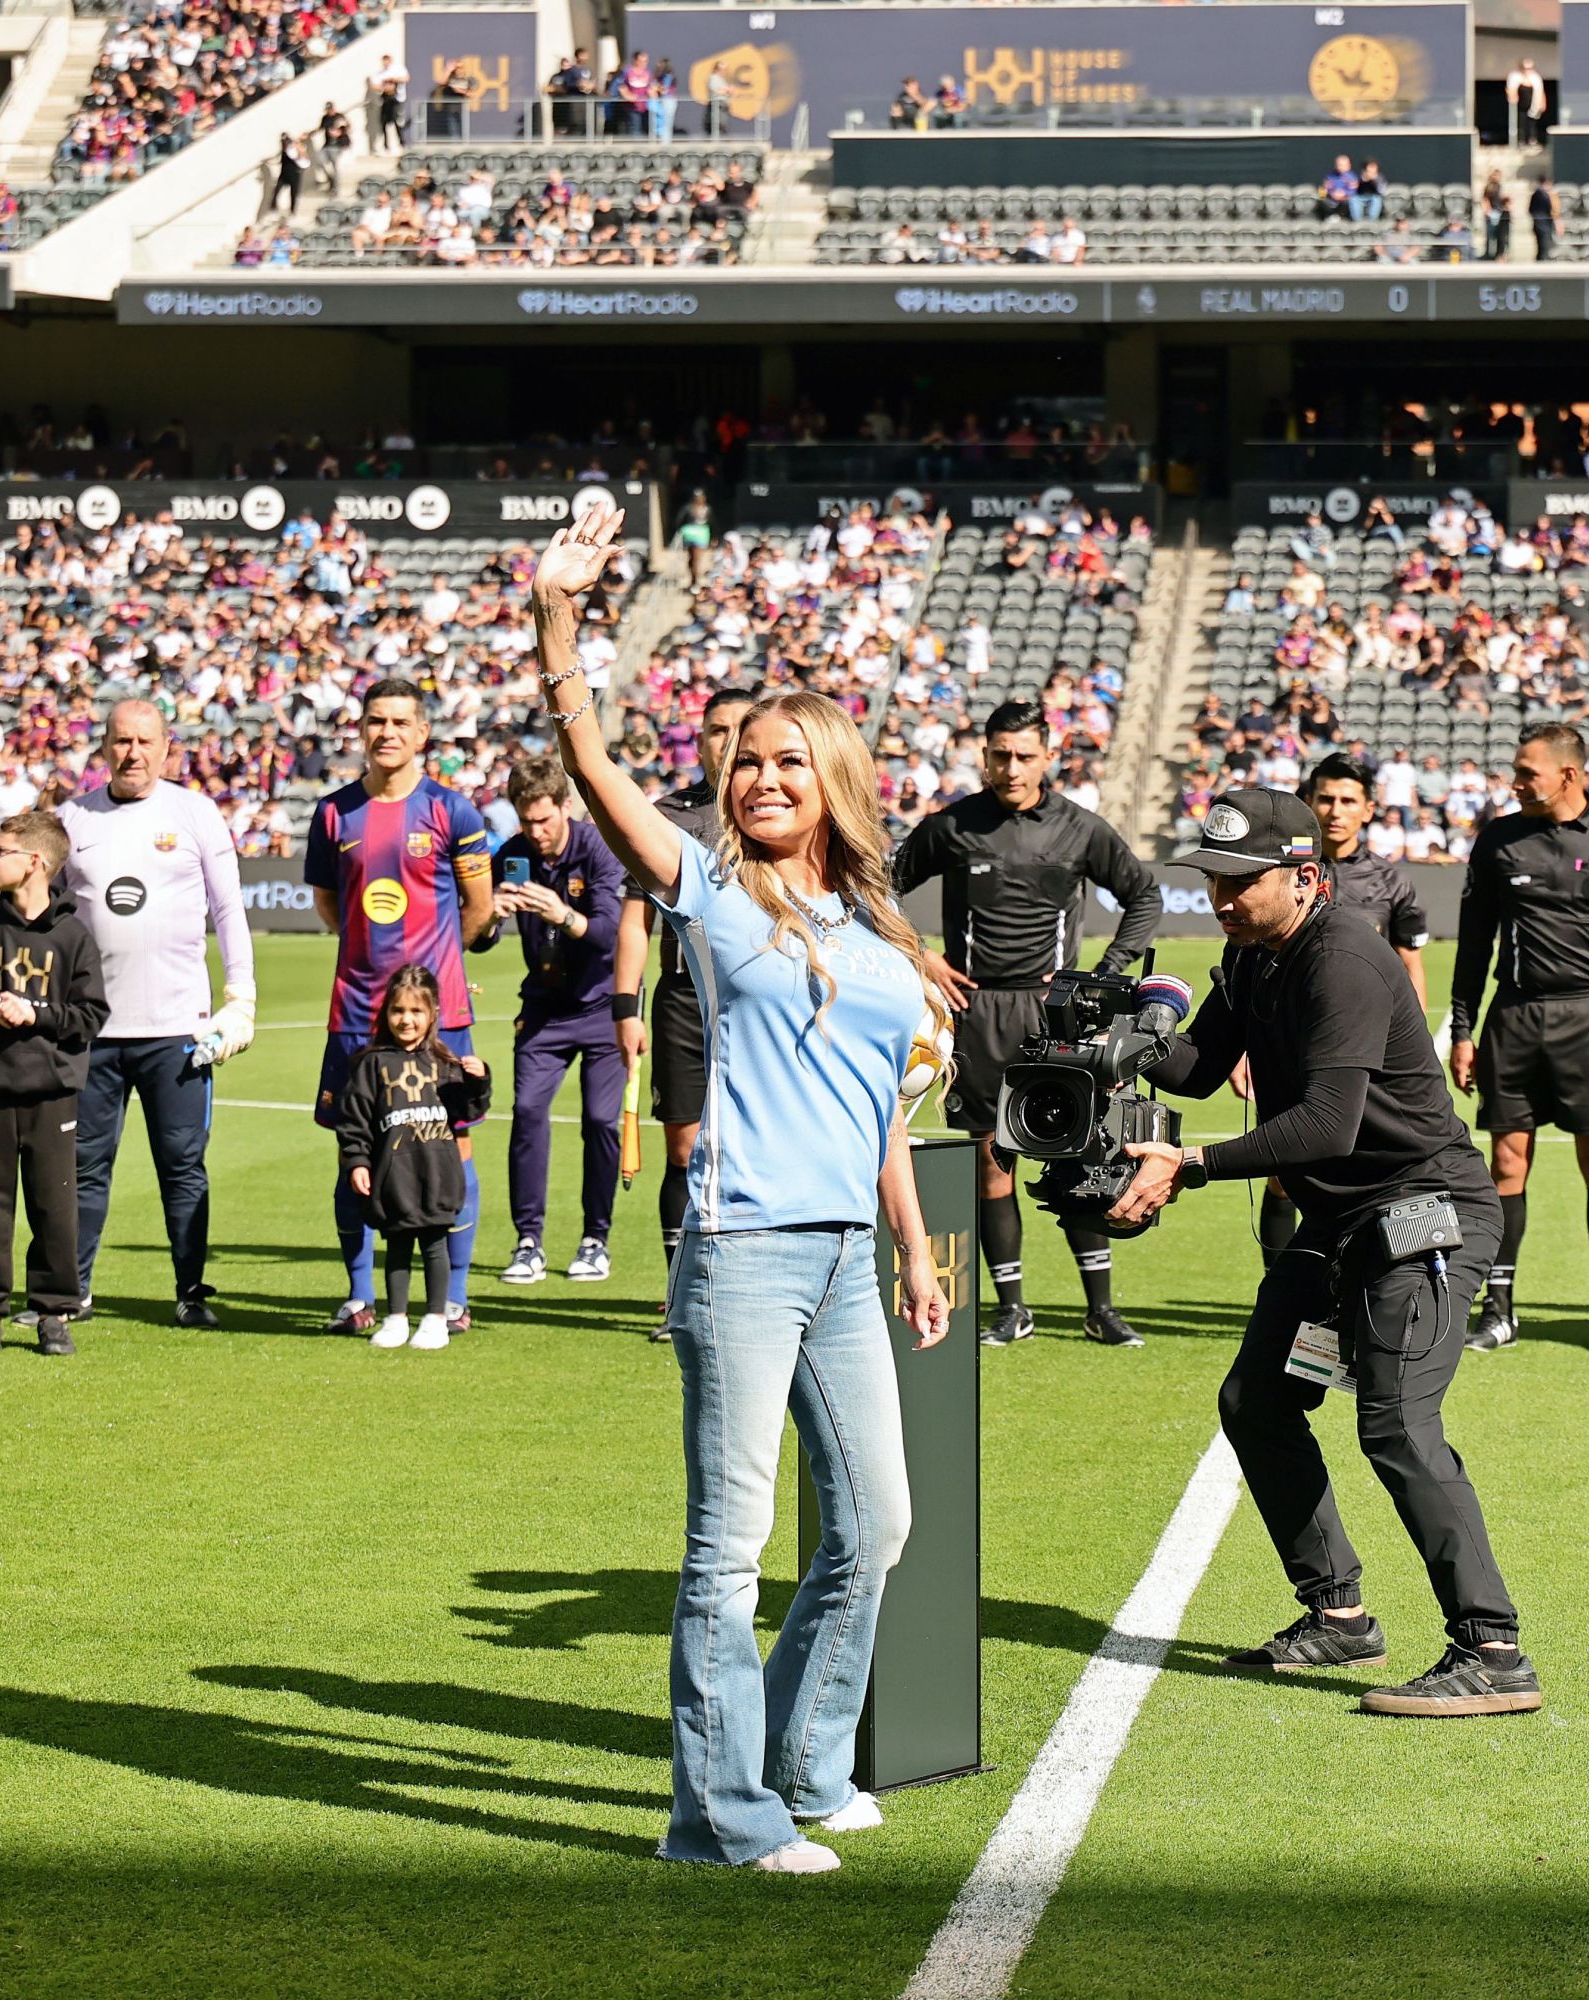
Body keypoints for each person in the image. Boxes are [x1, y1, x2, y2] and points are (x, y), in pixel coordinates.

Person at [535, 498, 950, 1873]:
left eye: (787, 759)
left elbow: (880, 1102)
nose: (760, 777)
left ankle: (806, 1766)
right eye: (745, 760)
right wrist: (559, 620)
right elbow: (594, 769)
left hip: (843, 1252)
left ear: (833, 773)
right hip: (744, 1251)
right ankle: (714, 1817)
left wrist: (913, 1245)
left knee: (878, 1524)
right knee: (730, 1550)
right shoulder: (711, 891)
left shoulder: (880, 927)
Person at [1102, 787, 1540, 1719]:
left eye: (1238, 880)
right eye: (1211, 879)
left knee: (1395, 1422)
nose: (1220, 897)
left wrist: (1191, 1164)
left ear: (1305, 876)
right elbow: (1196, 1067)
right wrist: (1125, 1037)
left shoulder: (1340, 958)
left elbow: (1326, 1128)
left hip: (1423, 1216)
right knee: (1256, 1401)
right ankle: (1339, 1612)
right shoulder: (1251, 951)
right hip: (1344, 1226)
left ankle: (1493, 1649)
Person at [891, 699, 1162, 1348]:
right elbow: (870, 889)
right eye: (1000, 756)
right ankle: (1011, 1308)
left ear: (1048, 757)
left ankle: (1100, 1308)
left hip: (1057, 1017)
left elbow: (1143, 895)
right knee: (992, 1162)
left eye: (1024, 756)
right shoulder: (951, 826)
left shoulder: (1079, 828)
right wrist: (920, 954)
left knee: (1081, 1156)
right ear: (984, 756)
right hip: (974, 1012)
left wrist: (1107, 971)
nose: (1011, 768)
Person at [1449, 721, 1589, 1355]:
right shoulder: (1498, 839)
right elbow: (1473, 946)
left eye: (1528, 773)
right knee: (1505, 1165)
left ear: (1569, 775)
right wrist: (1463, 1029)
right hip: (1515, 1020)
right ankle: (1498, 1309)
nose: (1516, 783)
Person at [60, 700, 257, 1329]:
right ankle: (75, 1291)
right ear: (105, 745)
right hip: (94, 1032)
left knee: (182, 1168)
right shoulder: (74, 818)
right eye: (122, 741)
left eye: (146, 741)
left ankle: (191, 1292)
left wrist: (241, 996)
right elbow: (50, 918)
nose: (133, 753)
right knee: (85, 1167)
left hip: (177, 1030)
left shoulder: (196, 813)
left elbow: (228, 910)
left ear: (168, 746)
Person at [306, 679, 492, 1335]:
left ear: (422, 734)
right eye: (375, 720)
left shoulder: (452, 811)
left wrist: (435, 978)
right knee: (352, 1151)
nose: (387, 732)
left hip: (440, 1020)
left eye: (400, 722)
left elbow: (479, 908)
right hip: (356, 1014)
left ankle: (455, 1298)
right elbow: (330, 906)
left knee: (452, 1148)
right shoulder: (333, 814)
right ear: (363, 729)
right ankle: (361, 1298)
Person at [1244, 752, 1436, 1261]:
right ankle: (1284, 1286)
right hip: (1290, 1048)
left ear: (1368, 809)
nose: (1335, 810)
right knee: (1286, 1173)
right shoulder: (1278, 877)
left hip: (1364, 1052)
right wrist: (1246, 1049)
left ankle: (1365, 1283)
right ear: (1308, 803)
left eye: (1348, 800)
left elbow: (1410, 968)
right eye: (1325, 798)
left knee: (1372, 1170)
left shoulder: (1391, 882)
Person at [0, 808, 109, 1360]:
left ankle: (54, 1313)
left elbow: (89, 1016)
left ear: (35, 862)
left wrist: (34, 1015)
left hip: (52, 1092)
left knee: (54, 1207)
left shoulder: (74, 936)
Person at [615, 685, 754, 1339]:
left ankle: (747, 1293)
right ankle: (681, 1296)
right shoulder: (664, 817)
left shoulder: (779, 812)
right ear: (697, 741)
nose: (726, 743)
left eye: (739, 730)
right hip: (678, 1003)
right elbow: (635, 920)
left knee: (754, 1149)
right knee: (683, 1149)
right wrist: (626, 1005)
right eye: (716, 730)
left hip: (758, 1007)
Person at [480, 757, 625, 1286]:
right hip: (542, 1008)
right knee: (526, 1112)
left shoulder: (598, 848)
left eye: (544, 820)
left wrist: (562, 913)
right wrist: (490, 916)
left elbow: (610, 934)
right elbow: (477, 940)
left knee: (601, 1122)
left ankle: (596, 1239)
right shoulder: (513, 854)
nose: (536, 833)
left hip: (602, 1007)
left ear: (565, 807)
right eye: (527, 821)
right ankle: (527, 1242)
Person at [335, 964, 493, 1352]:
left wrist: (480, 1079)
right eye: (398, 1011)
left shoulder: (443, 1061)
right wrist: (357, 1161)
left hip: (438, 1175)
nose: (406, 1020)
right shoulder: (371, 1064)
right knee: (399, 1248)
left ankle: (437, 1318)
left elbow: (467, 1109)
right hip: (395, 1178)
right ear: (386, 1014)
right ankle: (396, 1318)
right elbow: (354, 1119)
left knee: (436, 1247)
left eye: (416, 1011)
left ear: (433, 1014)